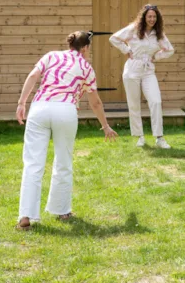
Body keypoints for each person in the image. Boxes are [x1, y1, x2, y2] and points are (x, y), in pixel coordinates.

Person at [15, 31, 118, 230]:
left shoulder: (51, 56)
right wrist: (105, 126)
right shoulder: (86, 67)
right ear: (86, 47)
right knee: (63, 161)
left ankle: (25, 217)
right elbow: (95, 102)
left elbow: (33, 75)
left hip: (40, 108)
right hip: (65, 110)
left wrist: (21, 103)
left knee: (33, 163)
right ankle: (62, 211)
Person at [110, 4, 175, 149]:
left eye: (154, 17)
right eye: (149, 16)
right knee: (134, 104)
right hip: (132, 69)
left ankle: (159, 137)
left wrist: (157, 57)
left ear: (157, 18)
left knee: (156, 101)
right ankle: (140, 136)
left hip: (148, 71)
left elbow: (170, 50)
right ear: (144, 17)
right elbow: (114, 38)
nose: (152, 19)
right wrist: (126, 50)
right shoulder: (133, 29)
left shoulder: (159, 34)